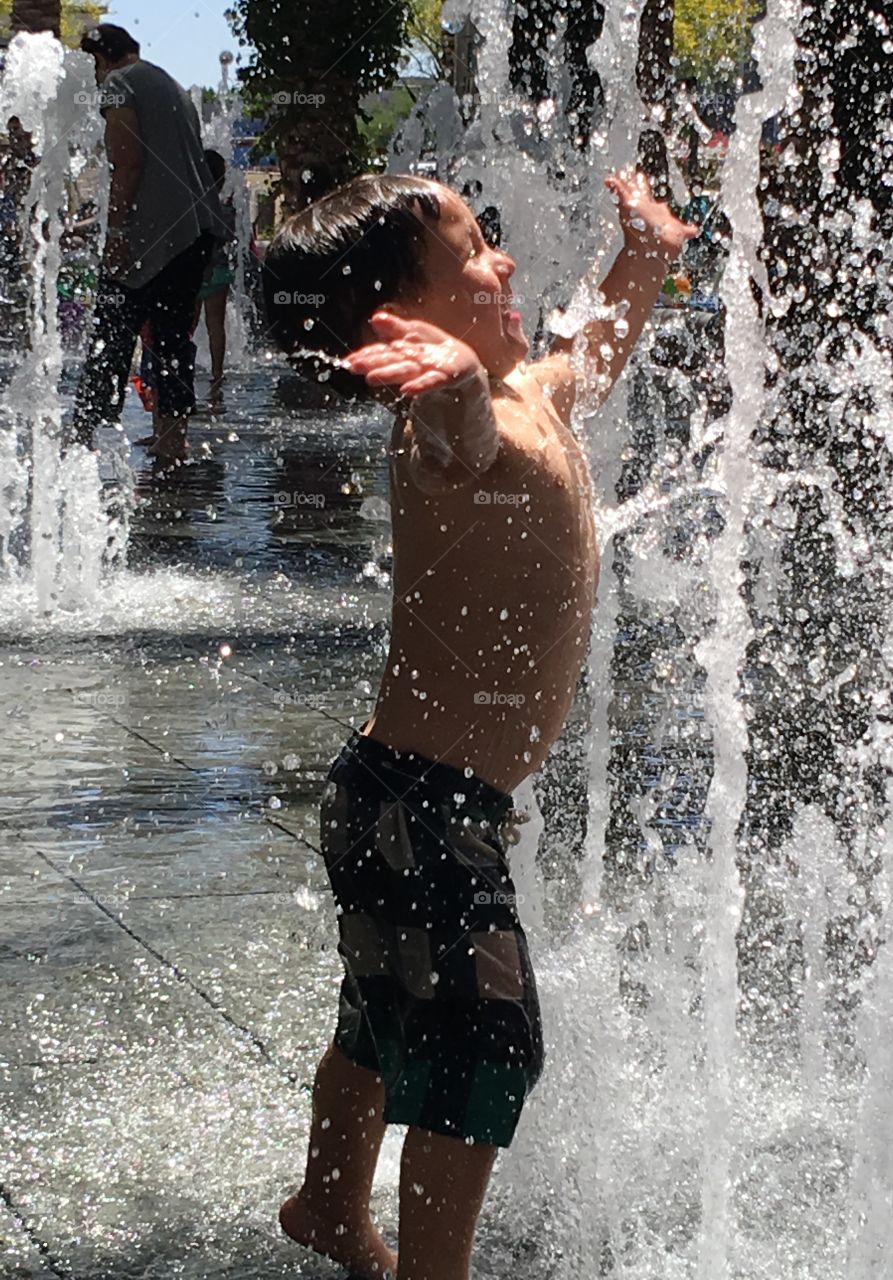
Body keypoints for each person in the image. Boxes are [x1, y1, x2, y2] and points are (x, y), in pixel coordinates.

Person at [263, 172, 696, 1280]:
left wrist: (642, 256)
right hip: (429, 807)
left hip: (398, 794)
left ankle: (326, 1198)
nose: (501, 262)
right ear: (396, 324)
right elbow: (456, 427)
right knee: (486, 1043)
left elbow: (592, 349)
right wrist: (451, 382)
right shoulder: (445, 428)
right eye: (472, 255)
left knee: (381, 1012)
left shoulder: (529, 399)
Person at [71, 24, 220, 463]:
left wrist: (116, 234)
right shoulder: (169, 82)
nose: (92, 79)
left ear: (100, 58)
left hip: (147, 239)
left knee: (109, 336)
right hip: (192, 233)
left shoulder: (118, 85)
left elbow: (128, 162)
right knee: (173, 339)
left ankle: (82, 440)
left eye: (90, 67)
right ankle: (172, 441)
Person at [193, 148, 237, 400]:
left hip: (193, 273)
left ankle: (182, 367)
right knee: (216, 325)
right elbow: (230, 237)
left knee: (188, 324)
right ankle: (217, 372)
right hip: (219, 271)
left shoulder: (192, 207)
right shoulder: (225, 209)